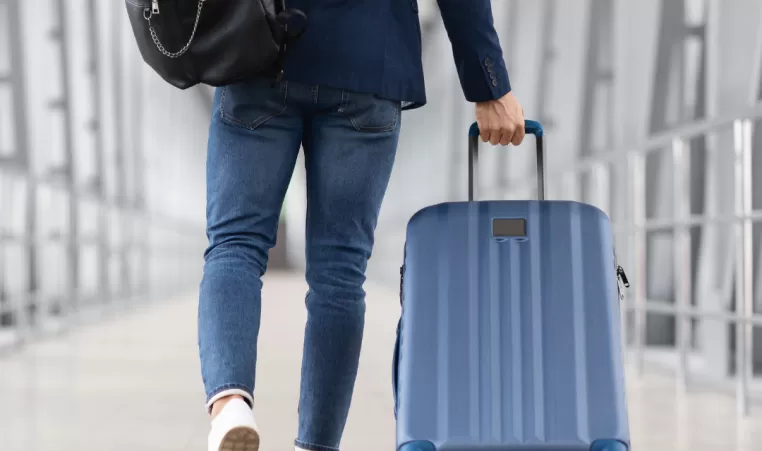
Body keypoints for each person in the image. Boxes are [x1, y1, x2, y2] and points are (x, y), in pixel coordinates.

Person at [200, 1, 526, 450]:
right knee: (339, 272)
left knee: (235, 244)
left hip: (263, 50)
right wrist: (490, 86)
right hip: (371, 62)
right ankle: (315, 445)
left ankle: (231, 402)